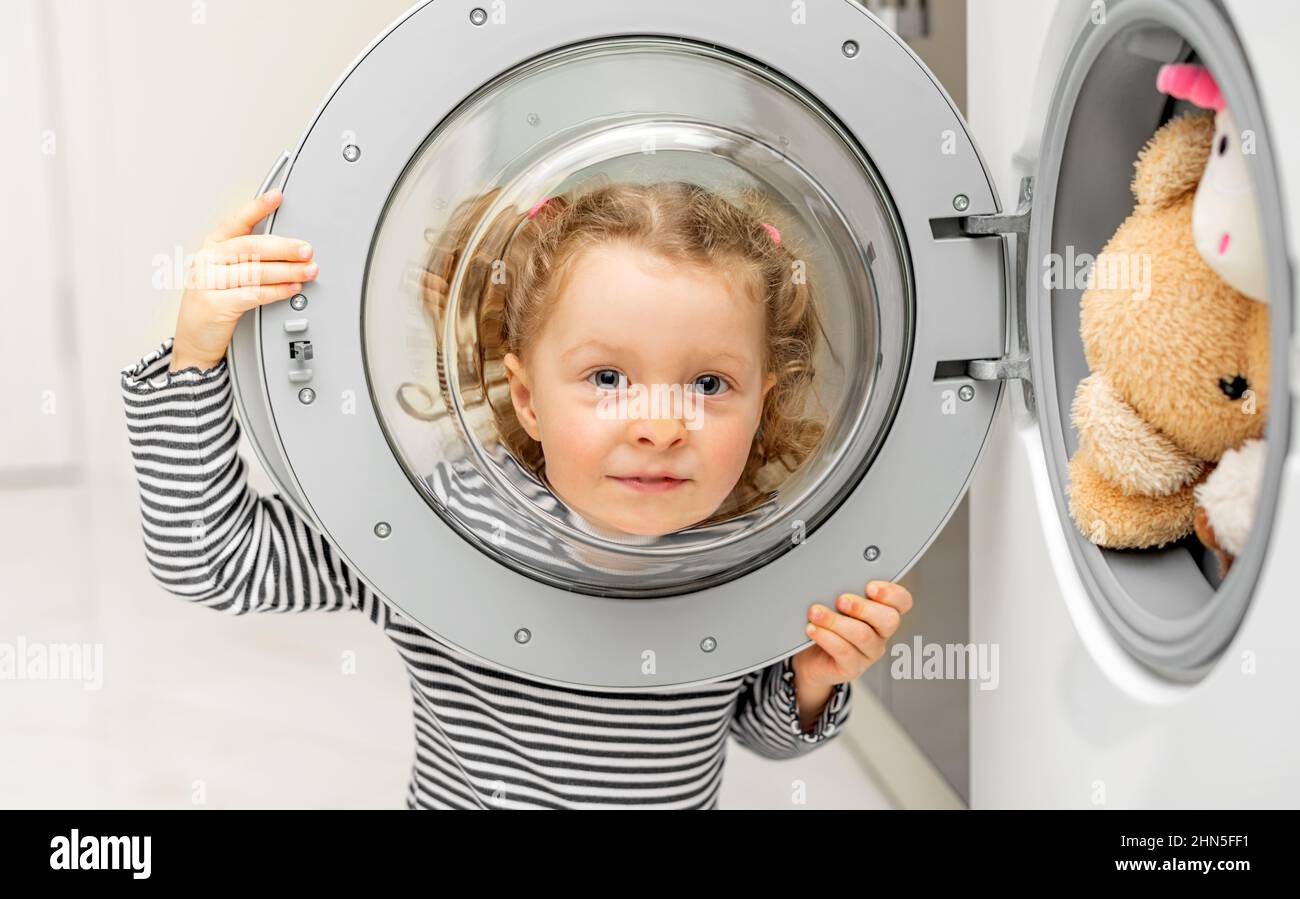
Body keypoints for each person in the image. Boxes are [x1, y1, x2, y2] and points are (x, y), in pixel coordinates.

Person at [121, 181, 915, 809]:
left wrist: (812, 679)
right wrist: (194, 356)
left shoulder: (749, 549)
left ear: (762, 402)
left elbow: (762, 735)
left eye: (710, 383)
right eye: (607, 378)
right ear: (528, 398)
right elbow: (209, 560)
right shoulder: (446, 523)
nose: (661, 425)